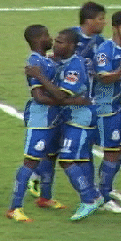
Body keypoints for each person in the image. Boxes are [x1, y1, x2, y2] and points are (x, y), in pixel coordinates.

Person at [27, 28, 104, 221]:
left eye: (61, 42)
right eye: (56, 40)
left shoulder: (75, 67)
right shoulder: (60, 61)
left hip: (80, 119)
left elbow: (61, 95)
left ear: (72, 46)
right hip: (69, 117)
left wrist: (40, 76)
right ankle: (93, 195)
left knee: (67, 159)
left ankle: (89, 199)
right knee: (79, 159)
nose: (55, 43)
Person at [6, 25, 69, 222]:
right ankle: (14, 207)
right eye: (47, 35)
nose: (50, 38)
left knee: (50, 157)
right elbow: (39, 96)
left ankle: (45, 198)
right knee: (31, 161)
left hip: (54, 118)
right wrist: (64, 100)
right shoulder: (34, 63)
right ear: (38, 39)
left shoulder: (46, 60)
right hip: (40, 119)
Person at [91, 11, 121, 213]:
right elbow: (104, 78)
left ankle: (106, 187)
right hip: (105, 109)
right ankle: (102, 197)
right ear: (115, 28)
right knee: (111, 152)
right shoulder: (105, 50)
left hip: (118, 106)